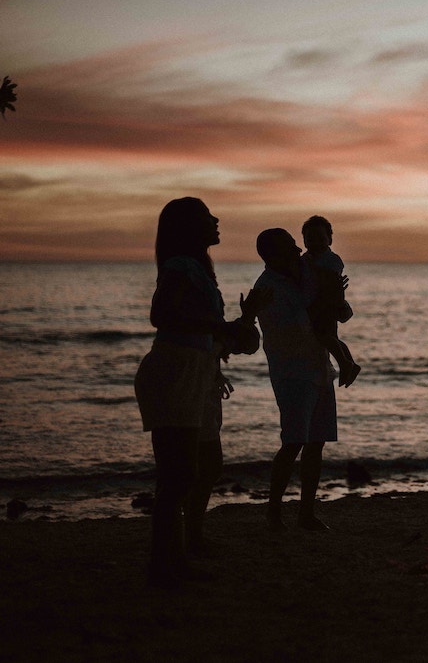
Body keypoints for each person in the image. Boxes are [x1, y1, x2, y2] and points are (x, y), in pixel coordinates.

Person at [134, 197, 264, 588]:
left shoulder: (198, 269)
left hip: (195, 372)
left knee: (193, 470)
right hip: (175, 372)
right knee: (177, 476)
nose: (217, 220)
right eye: (208, 216)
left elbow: (202, 327)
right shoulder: (179, 267)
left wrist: (235, 328)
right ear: (190, 227)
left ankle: (177, 557)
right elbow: (161, 315)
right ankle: (164, 566)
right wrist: (219, 327)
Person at [253, 228, 338, 532]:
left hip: (318, 366)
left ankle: (306, 513)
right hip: (292, 372)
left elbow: (329, 283)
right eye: (290, 247)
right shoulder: (267, 288)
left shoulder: (303, 271)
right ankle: (273, 511)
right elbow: (303, 324)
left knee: (316, 443)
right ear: (273, 255)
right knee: (293, 442)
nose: (298, 250)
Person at [300, 215, 361, 388]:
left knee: (325, 336)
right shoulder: (305, 260)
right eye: (310, 239)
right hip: (312, 304)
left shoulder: (332, 259)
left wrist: (312, 267)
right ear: (304, 241)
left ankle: (345, 363)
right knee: (331, 338)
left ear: (330, 239)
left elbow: (330, 279)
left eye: (320, 238)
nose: (315, 243)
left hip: (326, 304)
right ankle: (349, 363)